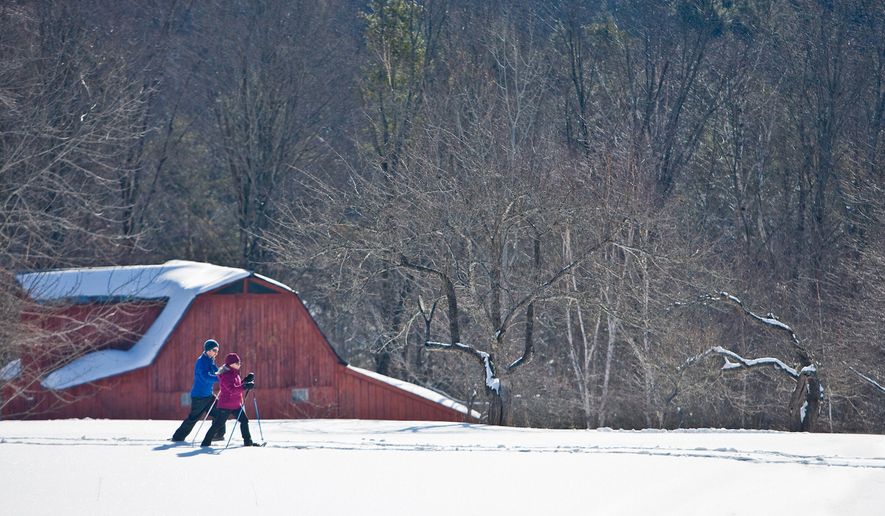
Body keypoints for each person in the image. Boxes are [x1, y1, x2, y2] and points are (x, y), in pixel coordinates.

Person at [201, 352, 259, 447]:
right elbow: (232, 389)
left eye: (239, 362)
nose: (239, 364)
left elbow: (238, 385)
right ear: (231, 364)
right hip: (226, 405)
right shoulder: (226, 375)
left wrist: (246, 380)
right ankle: (205, 443)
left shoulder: (235, 373)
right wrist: (245, 386)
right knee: (218, 424)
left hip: (236, 404)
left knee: (244, 421)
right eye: (237, 363)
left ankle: (248, 442)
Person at [171, 339, 225, 442]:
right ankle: (177, 437)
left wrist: (224, 372)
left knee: (220, 412)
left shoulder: (210, 360)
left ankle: (218, 434)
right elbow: (206, 377)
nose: (216, 353)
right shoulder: (201, 362)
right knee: (193, 418)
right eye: (214, 350)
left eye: (217, 351)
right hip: (199, 397)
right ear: (208, 350)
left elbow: (216, 371)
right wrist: (219, 378)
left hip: (208, 395)